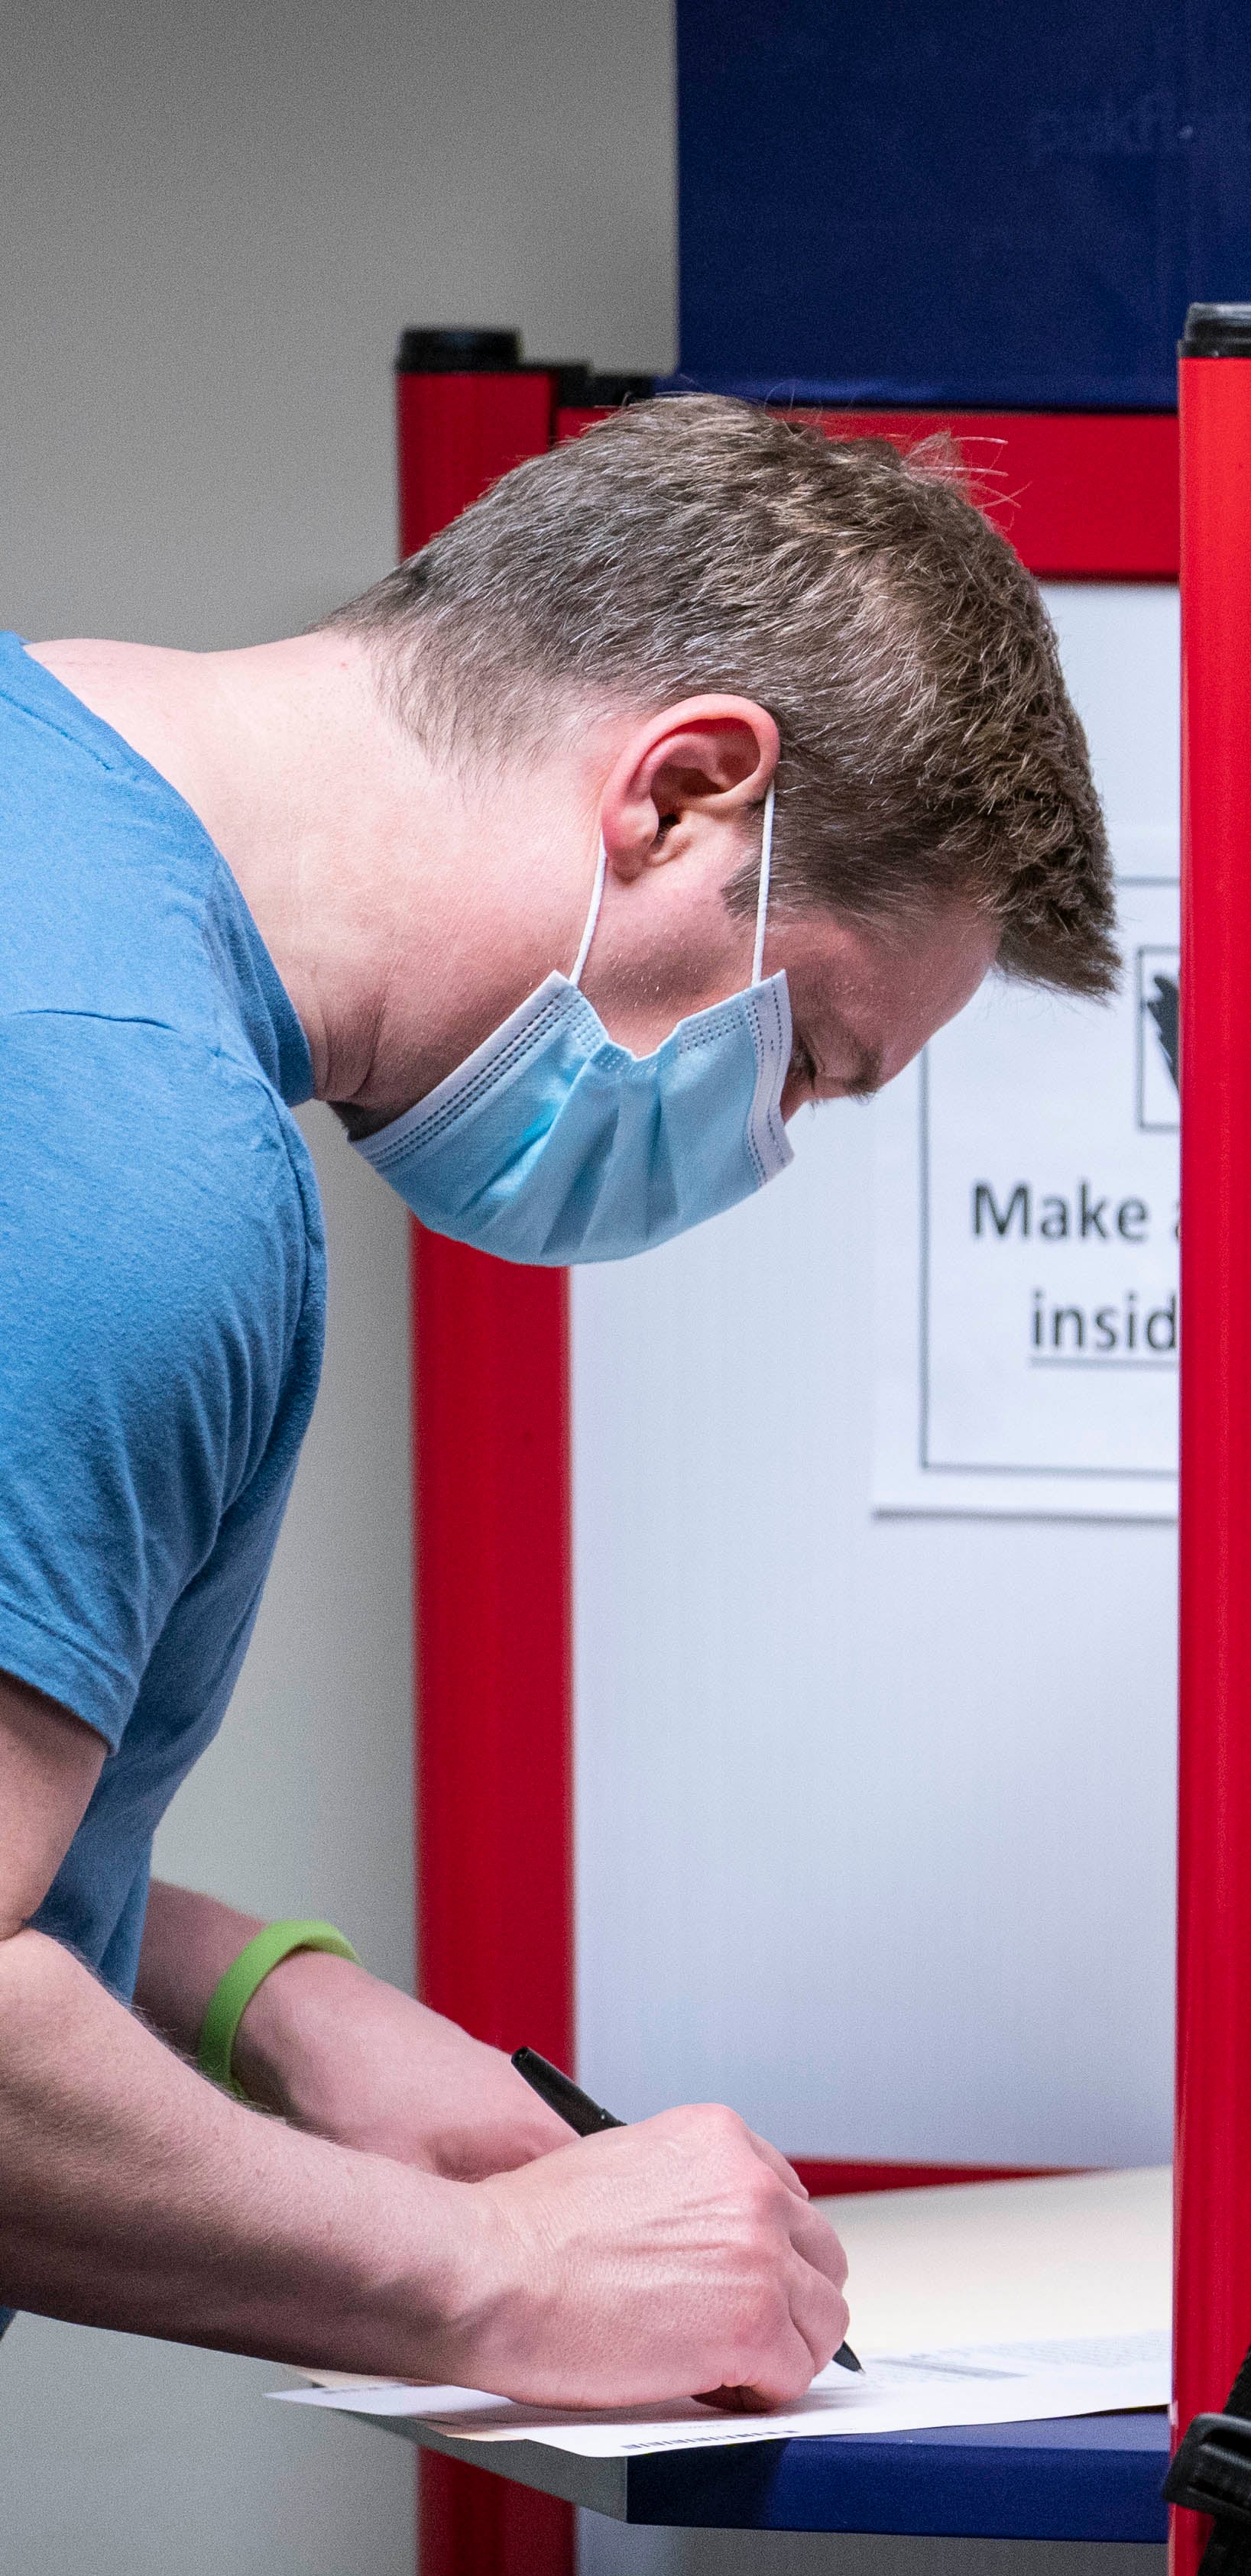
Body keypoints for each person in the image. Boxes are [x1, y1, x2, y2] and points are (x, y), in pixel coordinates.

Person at [0, 396, 1116, 2406]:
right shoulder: (125, 1145)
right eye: (809, 1062)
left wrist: (259, 1999)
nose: (761, 1138)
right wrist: (490, 2272)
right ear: (683, 791)